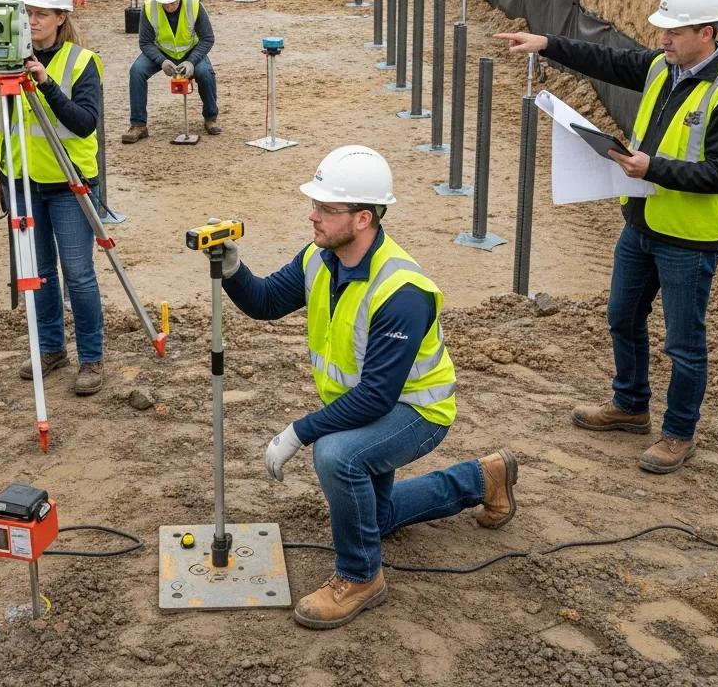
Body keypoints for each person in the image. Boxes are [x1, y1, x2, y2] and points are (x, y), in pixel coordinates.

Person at [219, 145, 519, 629]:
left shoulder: (402, 291)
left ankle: (360, 577)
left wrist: (299, 432)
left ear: (363, 218)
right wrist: (233, 270)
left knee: (337, 456)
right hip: (369, 409)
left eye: (325, 208)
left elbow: (378, 396)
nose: (312, 216)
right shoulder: (320, 258)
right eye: (314, 204)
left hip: (416, 411)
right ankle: (483, 479)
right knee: (372, 519)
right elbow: (267, 302)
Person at [496, 0, 718, 474]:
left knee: (684, 344)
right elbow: (609, 61)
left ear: (706, 33)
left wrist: (651, 168)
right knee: (622, 316)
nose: (663, 39)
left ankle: (679, 433)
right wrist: (547, 43)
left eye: (674, 32)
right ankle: (631, 405)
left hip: (688, 240)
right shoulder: (664, 67)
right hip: (641, 225)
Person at [0, 0, 107, 396]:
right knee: (40, 272)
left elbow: (84, 123)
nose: (32, 21)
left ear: (61, 17)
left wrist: (46, 85)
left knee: (78, 275)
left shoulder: (81, 62)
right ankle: (50, 350)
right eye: (26, 13)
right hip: (21, 181)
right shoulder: (4, 61)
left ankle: (92, 358)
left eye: (41, 14)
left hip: (68, 183)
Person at [122, 0, 221, 142]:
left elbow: (207, 38)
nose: (169, 6)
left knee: (205, 73)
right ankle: (138, 125)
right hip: (162, 52)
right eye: (165, 3)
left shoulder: (194, 5)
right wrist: (162, 61)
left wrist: (191, 62)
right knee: (137, 71)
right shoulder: (149, 8)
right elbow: (145, 42)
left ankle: (210, 118)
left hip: (191, 52)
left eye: (173, 2)